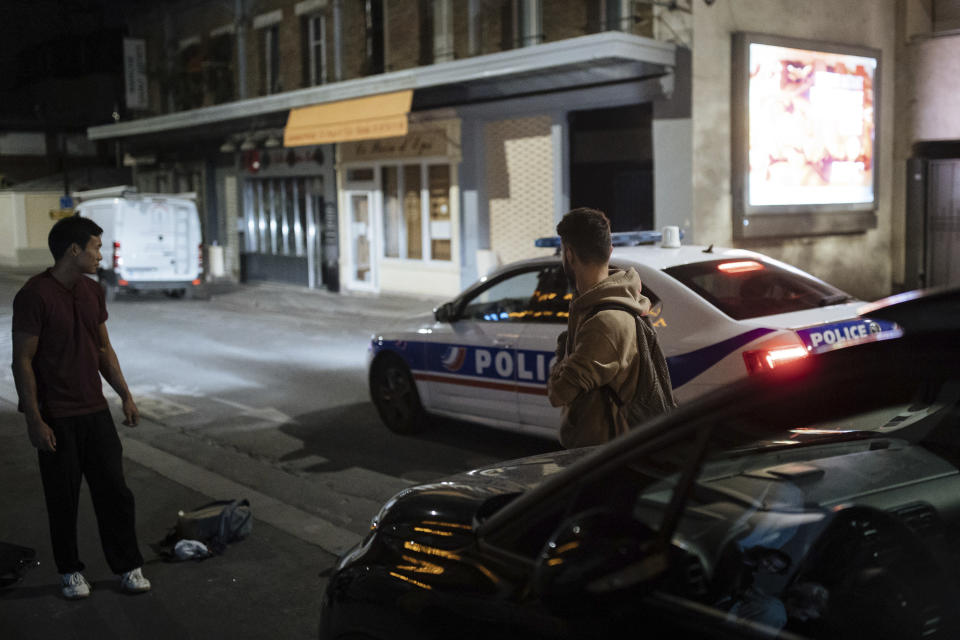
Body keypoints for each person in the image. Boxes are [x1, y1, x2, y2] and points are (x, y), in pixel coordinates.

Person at [11, 216, 151, 600]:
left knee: (115, 493)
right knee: (63, 497)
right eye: (96, 247)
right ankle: (70, 571)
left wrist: (124, 394)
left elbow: (103, 349)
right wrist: (34, 420)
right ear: (74, 250)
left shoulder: (92, 292)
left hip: (94, 411)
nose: (100, 255)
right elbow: (22, 359)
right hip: (57, 415)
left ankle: (127, 565)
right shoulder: (34, 295)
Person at [547, 208, 675, 448]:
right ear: (610, 250)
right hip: (601, 452)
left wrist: (562, 354)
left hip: (605, 458)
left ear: (570, 255)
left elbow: (559, 393)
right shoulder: (592, 306)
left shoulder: (605, 322)